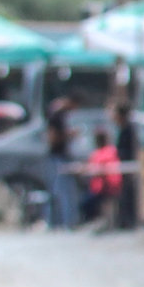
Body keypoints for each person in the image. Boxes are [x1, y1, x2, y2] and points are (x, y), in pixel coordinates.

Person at [43, 96, 79, 230]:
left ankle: (57, 222)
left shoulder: (60, 116)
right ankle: (63, 222)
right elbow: (52, 138)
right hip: (57, 157)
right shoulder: (56, 117)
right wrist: (69, 135)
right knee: (62, 191)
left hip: (59, 156)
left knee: (60, 190)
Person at [110, 97, 141, 231]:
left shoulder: (128, 130)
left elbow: (129, 150)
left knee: (128, 194)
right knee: (123, 193)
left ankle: (129, 220)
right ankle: (123, 220)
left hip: (128, 166)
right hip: (122, 165)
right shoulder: (123, 129)